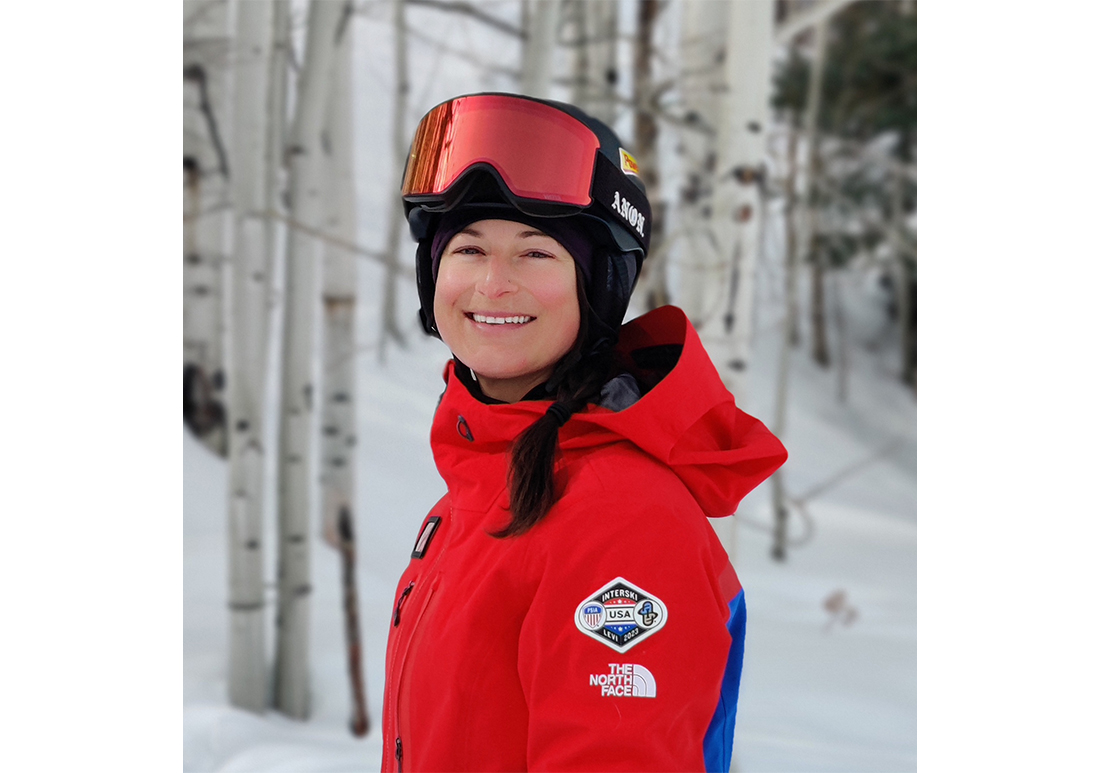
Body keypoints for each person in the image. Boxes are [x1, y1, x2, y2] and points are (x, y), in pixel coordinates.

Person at [381, 93, 787, 773]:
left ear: (597, 287)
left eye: (536, 254)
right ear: (432, 275)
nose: (493, 283)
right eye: (469, 248)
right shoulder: (481, 482)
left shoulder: (619, 514)